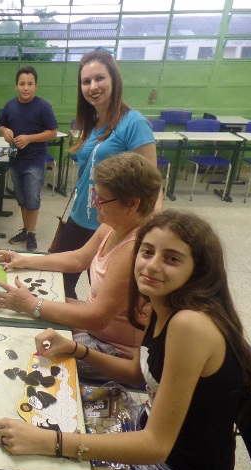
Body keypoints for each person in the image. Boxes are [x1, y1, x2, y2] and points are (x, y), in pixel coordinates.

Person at [0, 209, 251, 470]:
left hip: (176, 468)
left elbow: (155, 446)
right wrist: (75, 349)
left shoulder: (189, 325)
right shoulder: (160, 301)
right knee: (37, 405)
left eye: (171, 258)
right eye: (147, 252)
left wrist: (52, 443)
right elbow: (136, 373)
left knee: (26, 460)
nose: (152, 265)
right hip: (148, 428)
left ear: (198, 269)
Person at [0, 153, 161, 380]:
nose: (93, 203)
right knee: (29, 316)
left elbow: (97, 318)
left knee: (26, 351)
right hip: (96, 330)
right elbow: (78, 259)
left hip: (114, 350)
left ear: (133, 204)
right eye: (94, 195)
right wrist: (24, 259)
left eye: (100, 199)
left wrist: (32, 304)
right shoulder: (115, 226)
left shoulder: (133, 249)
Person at [59, 48, 157, 299]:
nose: (93, 86)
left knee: (102, 294)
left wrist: (151, 234)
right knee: (58, 286)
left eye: (100, 78)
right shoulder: (89, 123)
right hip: (78, 217)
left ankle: (86, 338)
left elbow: (152, 185)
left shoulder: (134, 124)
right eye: (86, 81)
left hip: (112, 225)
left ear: (114, 79)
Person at [0, 66, 58, 252]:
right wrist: (4, 131)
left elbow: (52, 132)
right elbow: (1, 125)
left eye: (30, 84)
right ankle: (26, 230)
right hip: (15, 159)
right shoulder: (9, 106)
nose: (26, 88)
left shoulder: (43, 107)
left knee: (32, 199)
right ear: (16, 86)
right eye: (22, 84)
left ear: (36, 86)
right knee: (22, 199)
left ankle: (31, 233)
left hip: (34, 160)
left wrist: (29, 138)